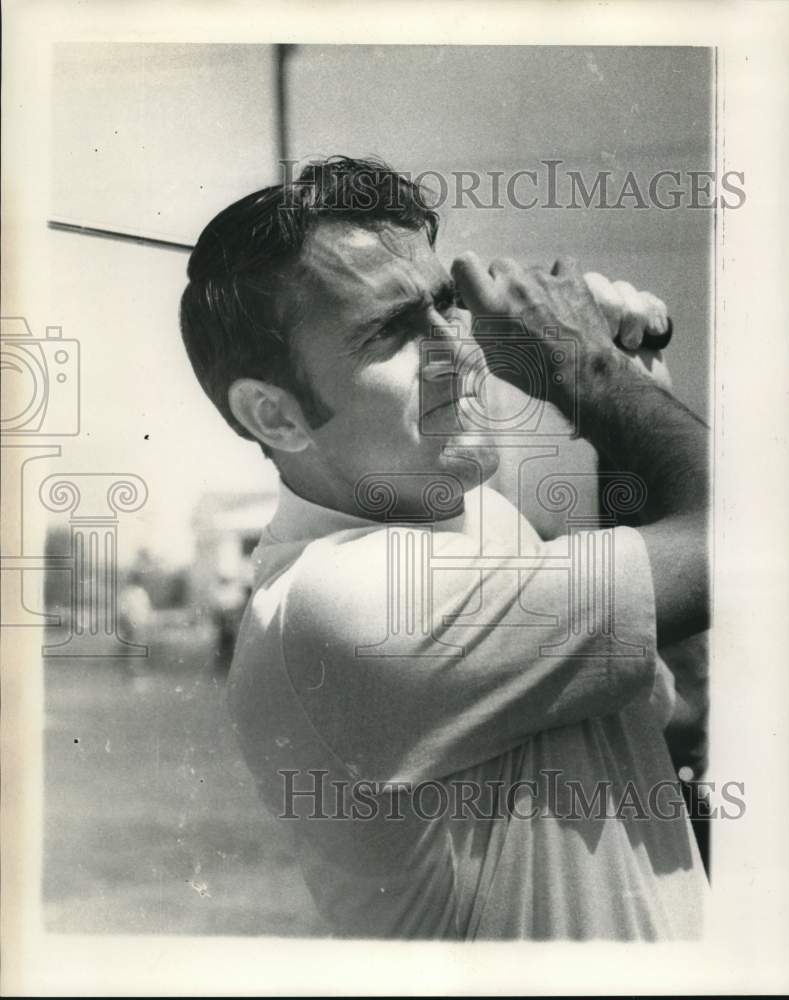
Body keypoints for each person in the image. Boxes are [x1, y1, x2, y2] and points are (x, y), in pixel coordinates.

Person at [180, 156, 709, 940]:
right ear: (275, 415)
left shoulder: (475, 518)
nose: (459, 349)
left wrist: (631, 384)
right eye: (393, 330)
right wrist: (587, 370)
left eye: (446, 305)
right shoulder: (341, 601)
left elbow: (666, 724)